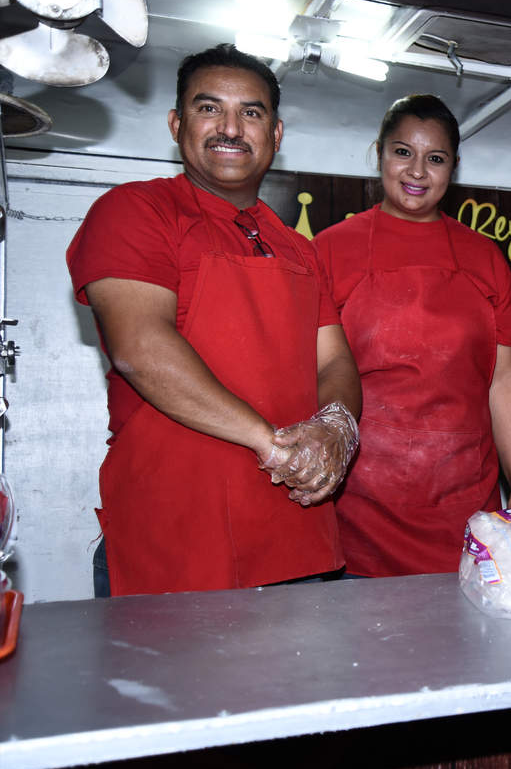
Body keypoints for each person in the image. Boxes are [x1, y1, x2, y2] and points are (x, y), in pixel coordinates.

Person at [66, 44, 362, 597]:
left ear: (275, 134)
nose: (230, 127)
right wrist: (272, 445)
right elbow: (140, 347)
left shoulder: (298, 248)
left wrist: (337, 426)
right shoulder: (135, 211)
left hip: (296, 536)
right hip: (176, 537)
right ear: (176, 124)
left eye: (251, 113)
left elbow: (334, 360)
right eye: (209, 109)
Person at [313, 95, 511, 577]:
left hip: (464, 503)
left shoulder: (485, 258)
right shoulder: (328, 251)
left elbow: (502, 381)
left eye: (435, 158)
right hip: (358, 502)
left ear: (453, 167)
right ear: (379, 153)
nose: (417, 171)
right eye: (402, 152)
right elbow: (315, 375)